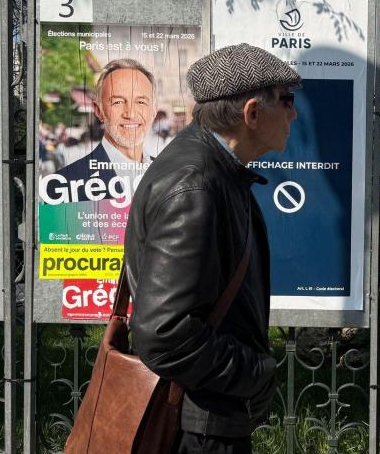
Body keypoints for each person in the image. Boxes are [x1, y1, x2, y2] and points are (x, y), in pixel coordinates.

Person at [123, 44, 300, 454]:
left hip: (204, 415)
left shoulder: (213, 172)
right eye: (287, 100)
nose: (293, 113)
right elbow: (163, 333)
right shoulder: (197, 185)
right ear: (251, 113)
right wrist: (255, 371)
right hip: (196, 428)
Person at [42, 58, 157, 203]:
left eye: (141, 102)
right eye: (118, 102)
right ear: (99, 111)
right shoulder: (62, 185)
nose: (131, 114)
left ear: (153, 112)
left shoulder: (174, 176)